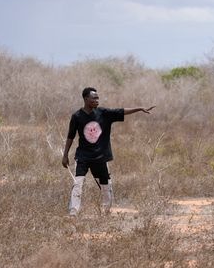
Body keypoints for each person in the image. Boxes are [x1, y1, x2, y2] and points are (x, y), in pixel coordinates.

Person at [62, 87, 155, 216]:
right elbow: (70, 136)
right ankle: (73, 213)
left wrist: (139, 108)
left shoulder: (104, 113)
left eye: (97, 98)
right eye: (94, 98)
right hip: (83, 157)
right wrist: (65, 155)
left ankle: (106, 212)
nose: (97, 100)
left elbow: (122, 111)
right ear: (86, 99)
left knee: (106, 186)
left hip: (100, 157)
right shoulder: (77, 116)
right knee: (78, 184)